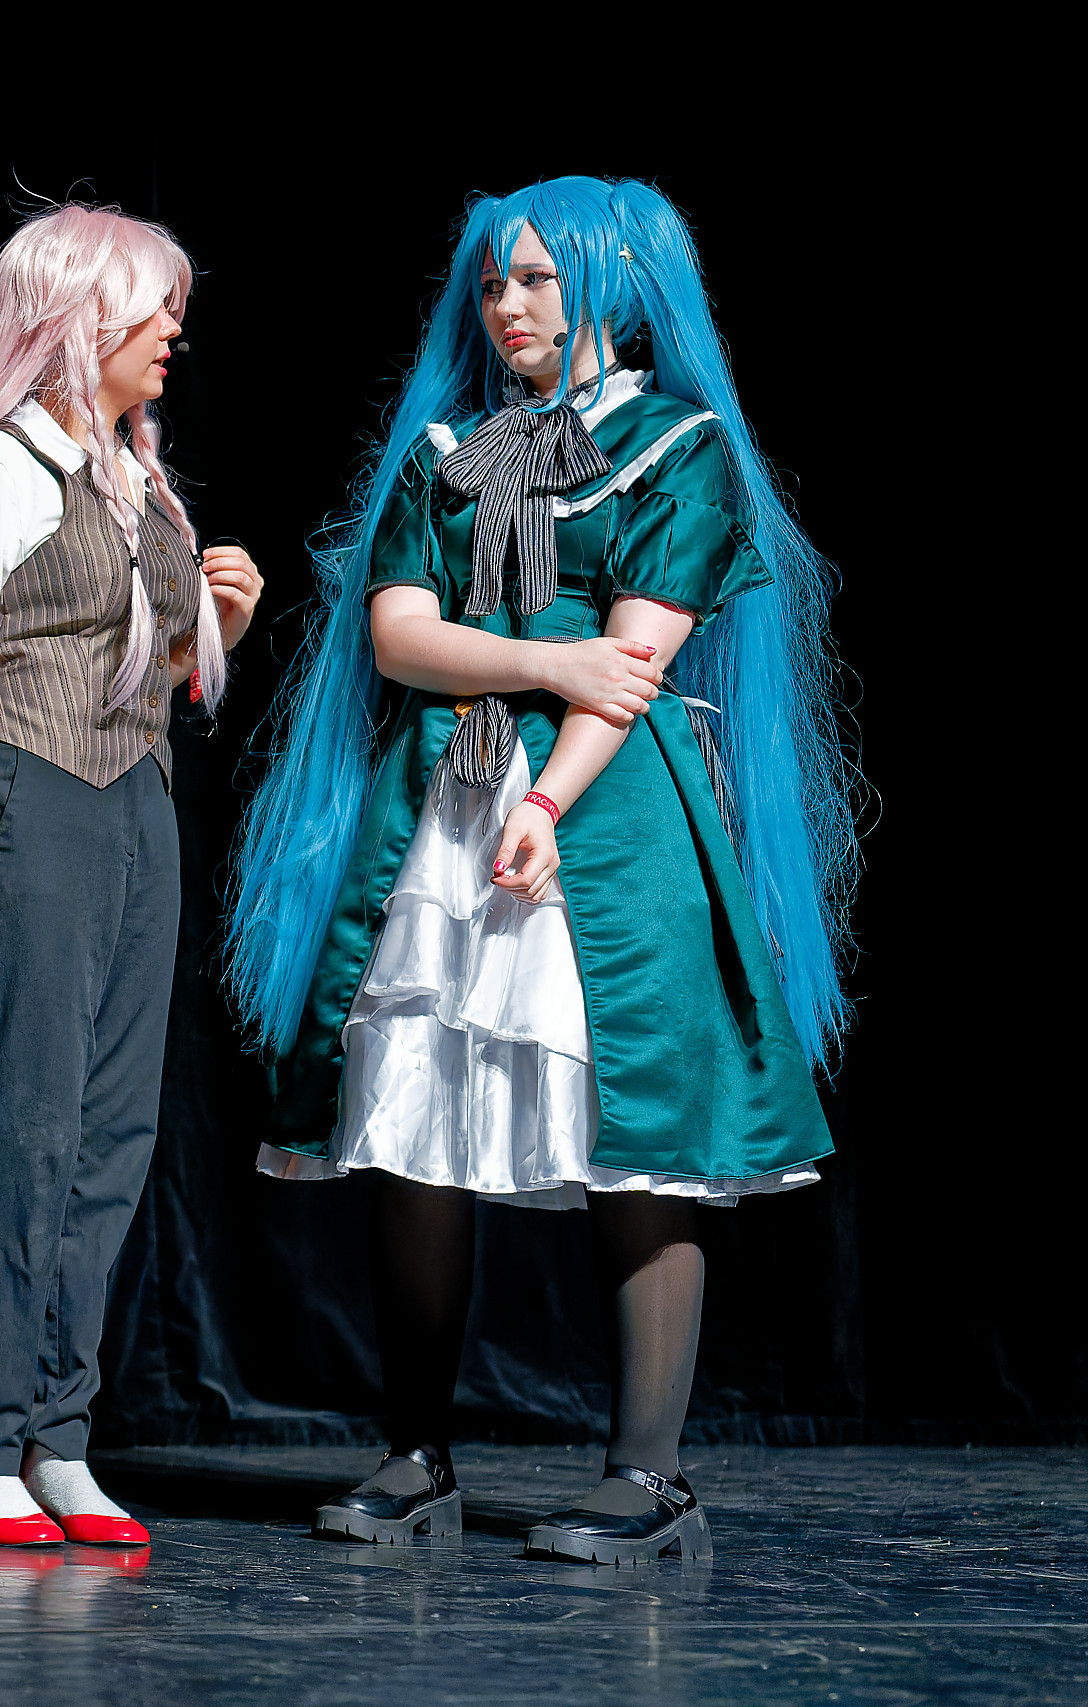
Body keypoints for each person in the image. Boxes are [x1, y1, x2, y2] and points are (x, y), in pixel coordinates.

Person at [226, 177, 856, 1565]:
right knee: (415, 1112)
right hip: (444, 800)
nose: (507, 307)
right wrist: (540, 660)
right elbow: (399, 634)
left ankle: (649, 1476)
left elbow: (632, 659)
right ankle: (416, 1455)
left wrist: (552, 793)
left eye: (536, 280)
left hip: (606, 808)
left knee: (636, 1124)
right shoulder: (447, 450)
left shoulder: (680, 446)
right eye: (492, 284)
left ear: (610, 285)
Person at [0, 204, 265, 1547]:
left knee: (112, 1136)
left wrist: (217, 623)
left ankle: (59, 1437)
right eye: (150, 308)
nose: (172, 331)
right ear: (77, 319)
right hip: (21, 791)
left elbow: (143, 672)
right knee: (29, 1124)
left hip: (134, 808)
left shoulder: (140, 484)